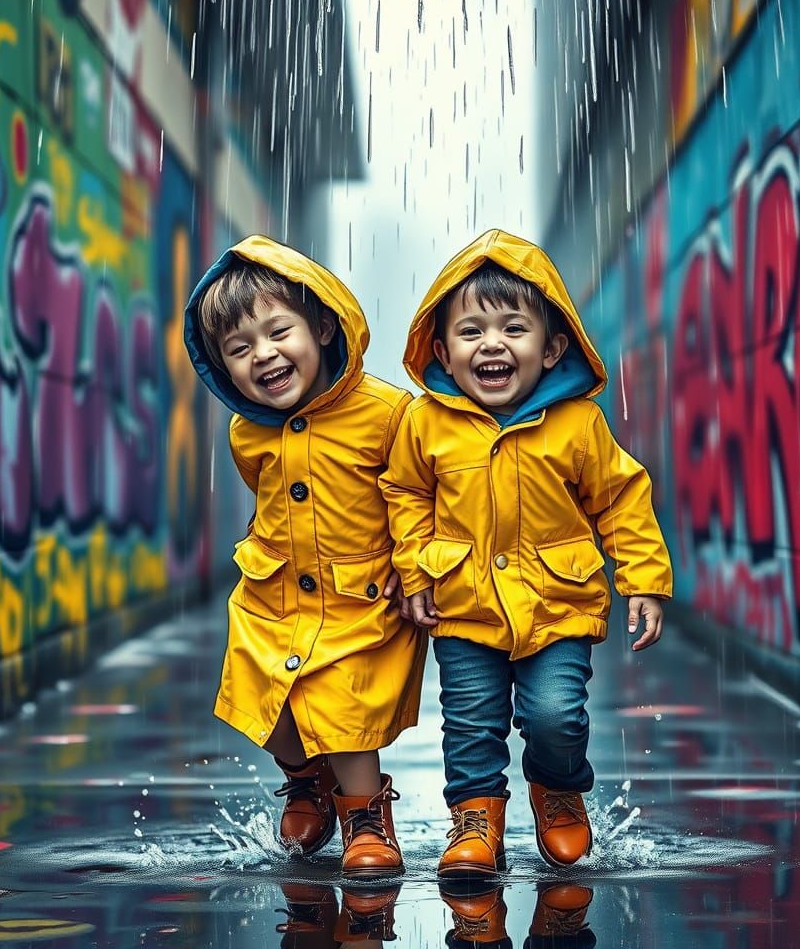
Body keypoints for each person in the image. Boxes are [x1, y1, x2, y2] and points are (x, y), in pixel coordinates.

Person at [379, 229, 672, 878]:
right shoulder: (426, 424)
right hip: (463, 604)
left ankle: (558, 787)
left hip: (557, 605)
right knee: (471, 725)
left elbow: (621, 497)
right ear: (443, 351)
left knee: (555, 715)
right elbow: (404, 493)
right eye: (471, 332)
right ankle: (475, 821)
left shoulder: (577, 424)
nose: (492, 344)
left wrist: (643, 579)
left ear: (551, 348)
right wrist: (415, 567)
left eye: (514, 328)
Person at [184, 235, 426, 878]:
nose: (263, 356)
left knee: (345, 714)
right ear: (221, 366)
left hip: (360, 596)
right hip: (275, 595)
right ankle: (304, 780)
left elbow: (414, 494)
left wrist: (415, 567)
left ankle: (367, 820)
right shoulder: (247, 429)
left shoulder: (388, 412)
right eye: (239, 349)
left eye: (277, 332)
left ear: (322, 326)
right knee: (263, 706)